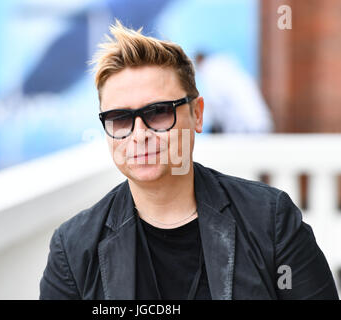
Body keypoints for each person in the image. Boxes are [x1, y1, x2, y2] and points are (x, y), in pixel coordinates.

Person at [39, 20, 339, 300]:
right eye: (120, 118)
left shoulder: (271, 220)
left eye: (158, 112)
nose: (139, 134)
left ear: (197, 114)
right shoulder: (74, 247)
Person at [195, 52, 274, 134]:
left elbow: (215, 104)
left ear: (199, 62)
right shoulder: (230, 69)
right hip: (261, 122)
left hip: (245, 127)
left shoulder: (211, 71)